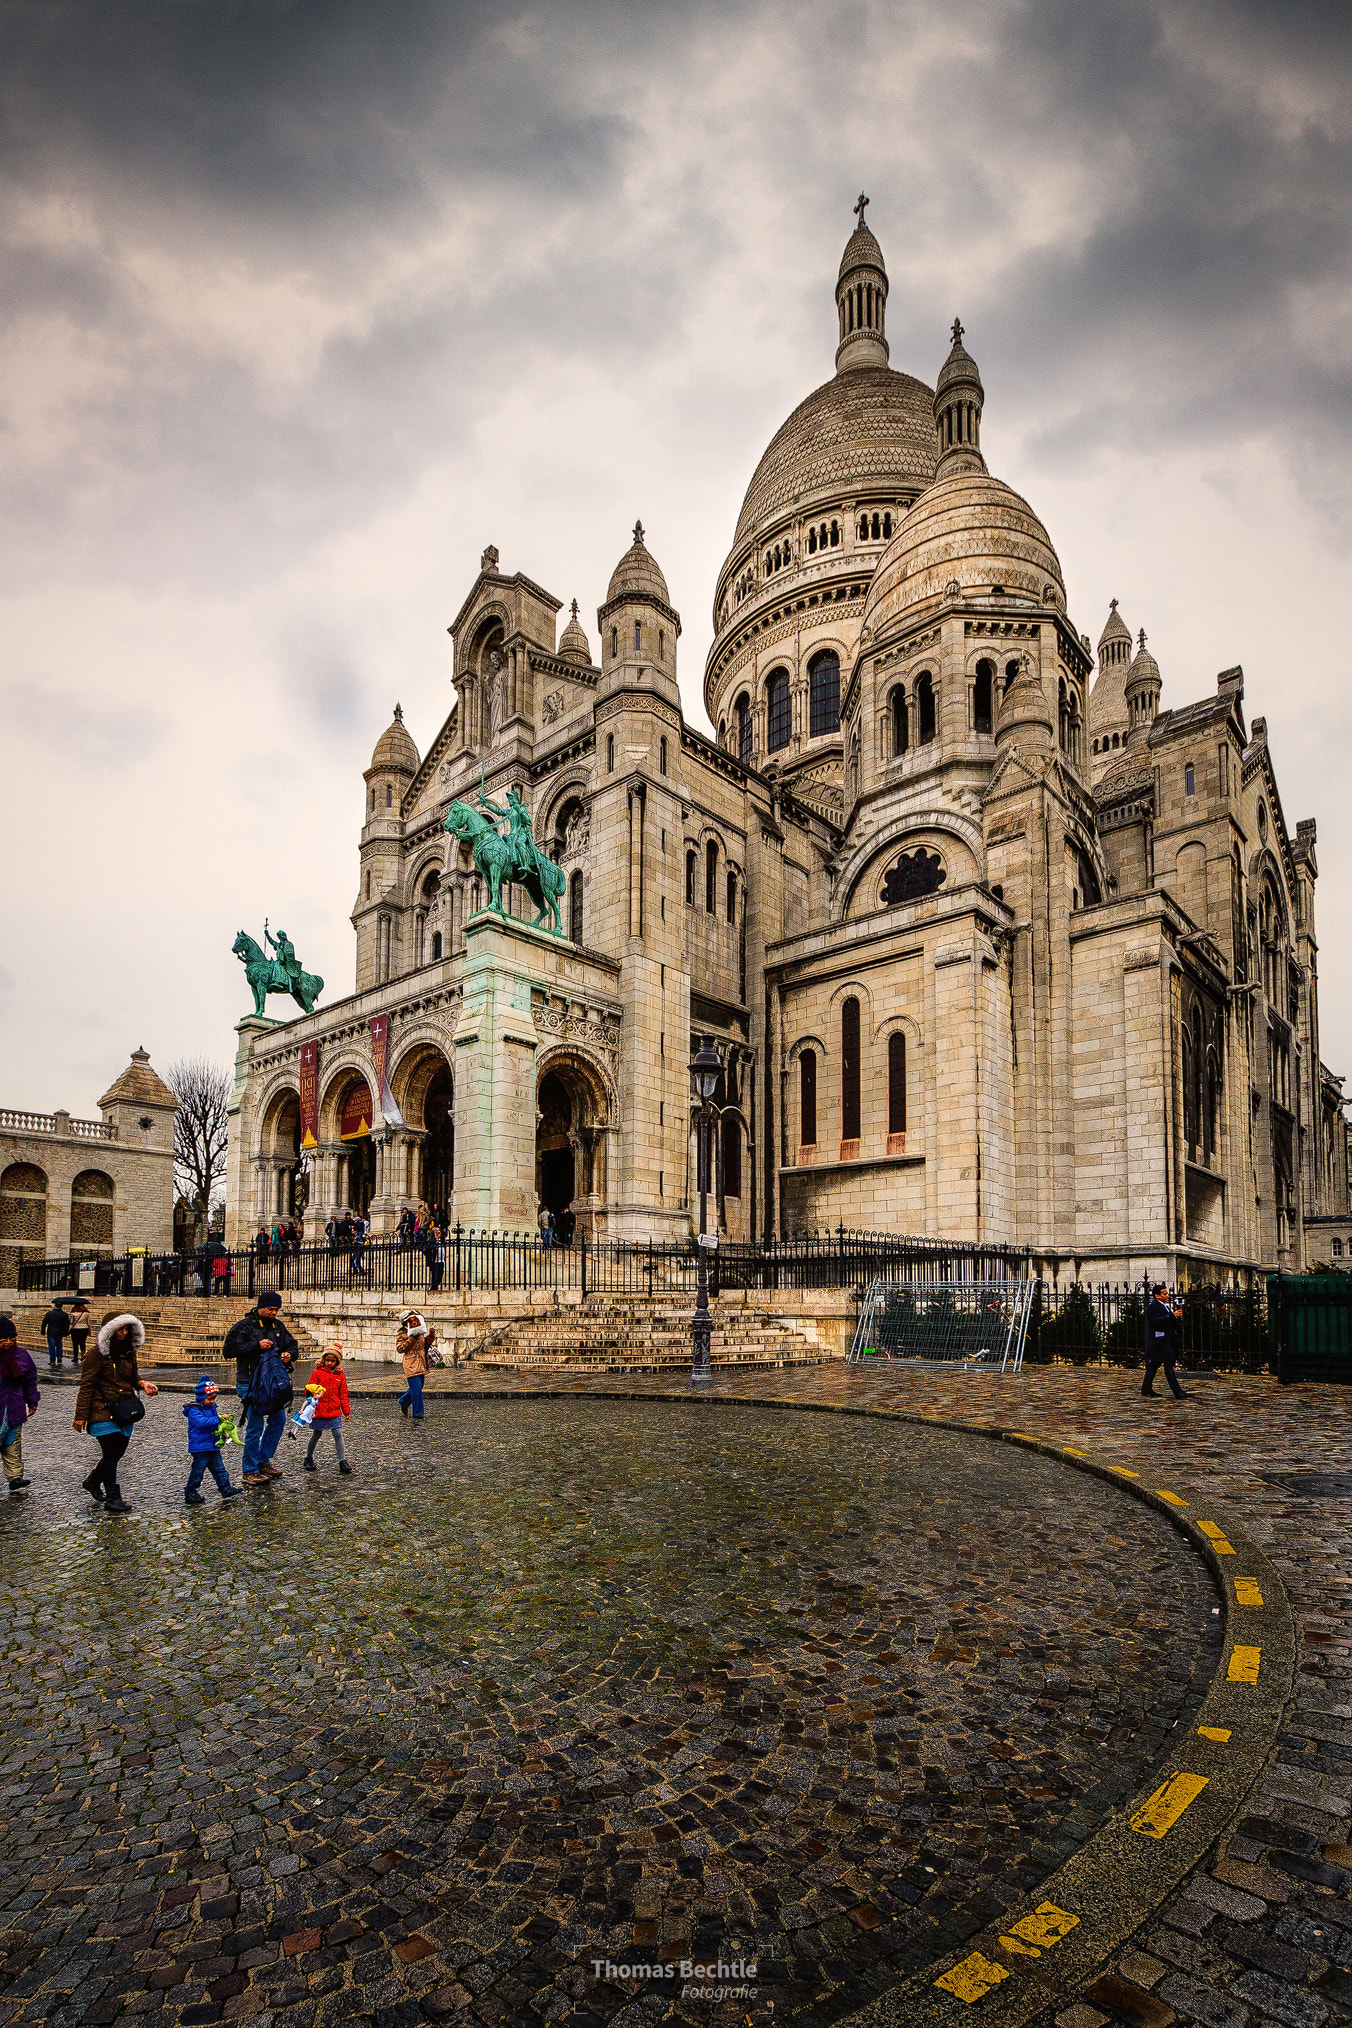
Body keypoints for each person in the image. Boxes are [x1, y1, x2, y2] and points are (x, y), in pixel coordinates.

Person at [73, 1314, 159, 1513]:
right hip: (102, 1410)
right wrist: (81, 1415)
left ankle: (93, 1481)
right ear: (109, 1330)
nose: (123, 1333)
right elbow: (87, 1385)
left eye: (127, 1329)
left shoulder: (129, 1352)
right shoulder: (96, 1354)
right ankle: (113, 1497)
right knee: (111, 1454)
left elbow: (132, 1376)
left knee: (117, 1453)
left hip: (124, 1410)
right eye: (120, 1329)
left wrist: (143, 1383)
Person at [223, 1290, 299, 1485]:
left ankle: (262, 1460)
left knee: (278, 1421)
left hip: (273, 1383)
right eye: (270, 1308)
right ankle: (249, 1470)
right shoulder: (244, 1326)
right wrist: (256, 1345)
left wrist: (289, 1354)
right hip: (250, 1382)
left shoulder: (278, 1326)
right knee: (255, 1427)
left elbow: (292, 1345)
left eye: (277, 1309)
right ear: (260, 1307)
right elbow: (229, 1350)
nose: (274, 1312)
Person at [183, 1376, 243, 1505]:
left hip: (212, 1444)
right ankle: (190, 1491)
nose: (211, 1401)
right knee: (198, 1471)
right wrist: (219, 1420)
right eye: (209, 1398)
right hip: (200, 1447)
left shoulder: (211, 1408)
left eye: (213, 1398)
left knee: (219, 1469)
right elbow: (201, 1423)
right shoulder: (194, 1410)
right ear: (201, 1397)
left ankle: (225, 1488)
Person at [0, 1317, 40, 1496]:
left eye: (11, 1338)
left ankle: (15, 1477)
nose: (8, 1342)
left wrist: (32, 1400)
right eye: (4, 1339)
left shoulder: (22, 1355)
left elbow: (30, 1380)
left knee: (12, 1443)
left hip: (14, 1406)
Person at [303, 1345, 353, 1474]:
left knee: (338, 1433)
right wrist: (311, 1394)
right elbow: (308, 1390)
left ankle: (343, 1461)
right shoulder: (317, 1373)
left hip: (334, 1410)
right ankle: (308, 1457)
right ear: (323, 1360)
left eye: (333, 1360)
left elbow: (343, 1394)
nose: (330, 1363)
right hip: (319, 1410)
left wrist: (346, 1412)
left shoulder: (340, 1375)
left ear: (337, 1362)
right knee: (317, 1434)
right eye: (328, 1360)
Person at [1143, 1284, 1189, 1400]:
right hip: (1159, 1342)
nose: (1167, 1295)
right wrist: (1172, 1316)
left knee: (1154, 1366)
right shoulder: (1153, 1307)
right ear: (1157, 1295)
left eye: (1167, 1293)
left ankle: (1146, 1388)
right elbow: (1155, 1321)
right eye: (1164, 1294)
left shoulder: (1164, 1306)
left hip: (1165, 1340)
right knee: (1169, 1365)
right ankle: (1177, 1391)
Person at [396, 1310, 435, 1421]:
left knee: (418, 1387)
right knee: (416, 1390)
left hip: (421, 1362)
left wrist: (431, 1336)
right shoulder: (402, 1334)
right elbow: (400, 1348)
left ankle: (403, 1401)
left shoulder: (419, 1330)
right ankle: (418, 1414)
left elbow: (424, 1345)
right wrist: (412, 1338)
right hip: (411, 1363)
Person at [41, 1301, 70, 1372]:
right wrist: (65, 1332)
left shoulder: (49, 1314)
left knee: (52, 1346)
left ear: (55, 1306)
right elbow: (67, 1325)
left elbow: (44, 1323)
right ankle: (59, 1357)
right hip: (59, 1333)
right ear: (61, 1306)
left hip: (51, 1332)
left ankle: (52, 1360)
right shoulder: (64, 1315)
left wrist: (42, 1331)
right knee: (59, 1345)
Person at [68, 1300, 93, 1365]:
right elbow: (89, 1323)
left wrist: (69, 1329)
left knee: (75, 1343)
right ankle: (83, 1355)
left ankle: (75, 1357)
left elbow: (70, 1323)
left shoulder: (72, 1314)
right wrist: (90, 1331)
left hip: (75, 1329)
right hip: (84, 1329)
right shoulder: (86, 1314)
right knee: (82, 1342)